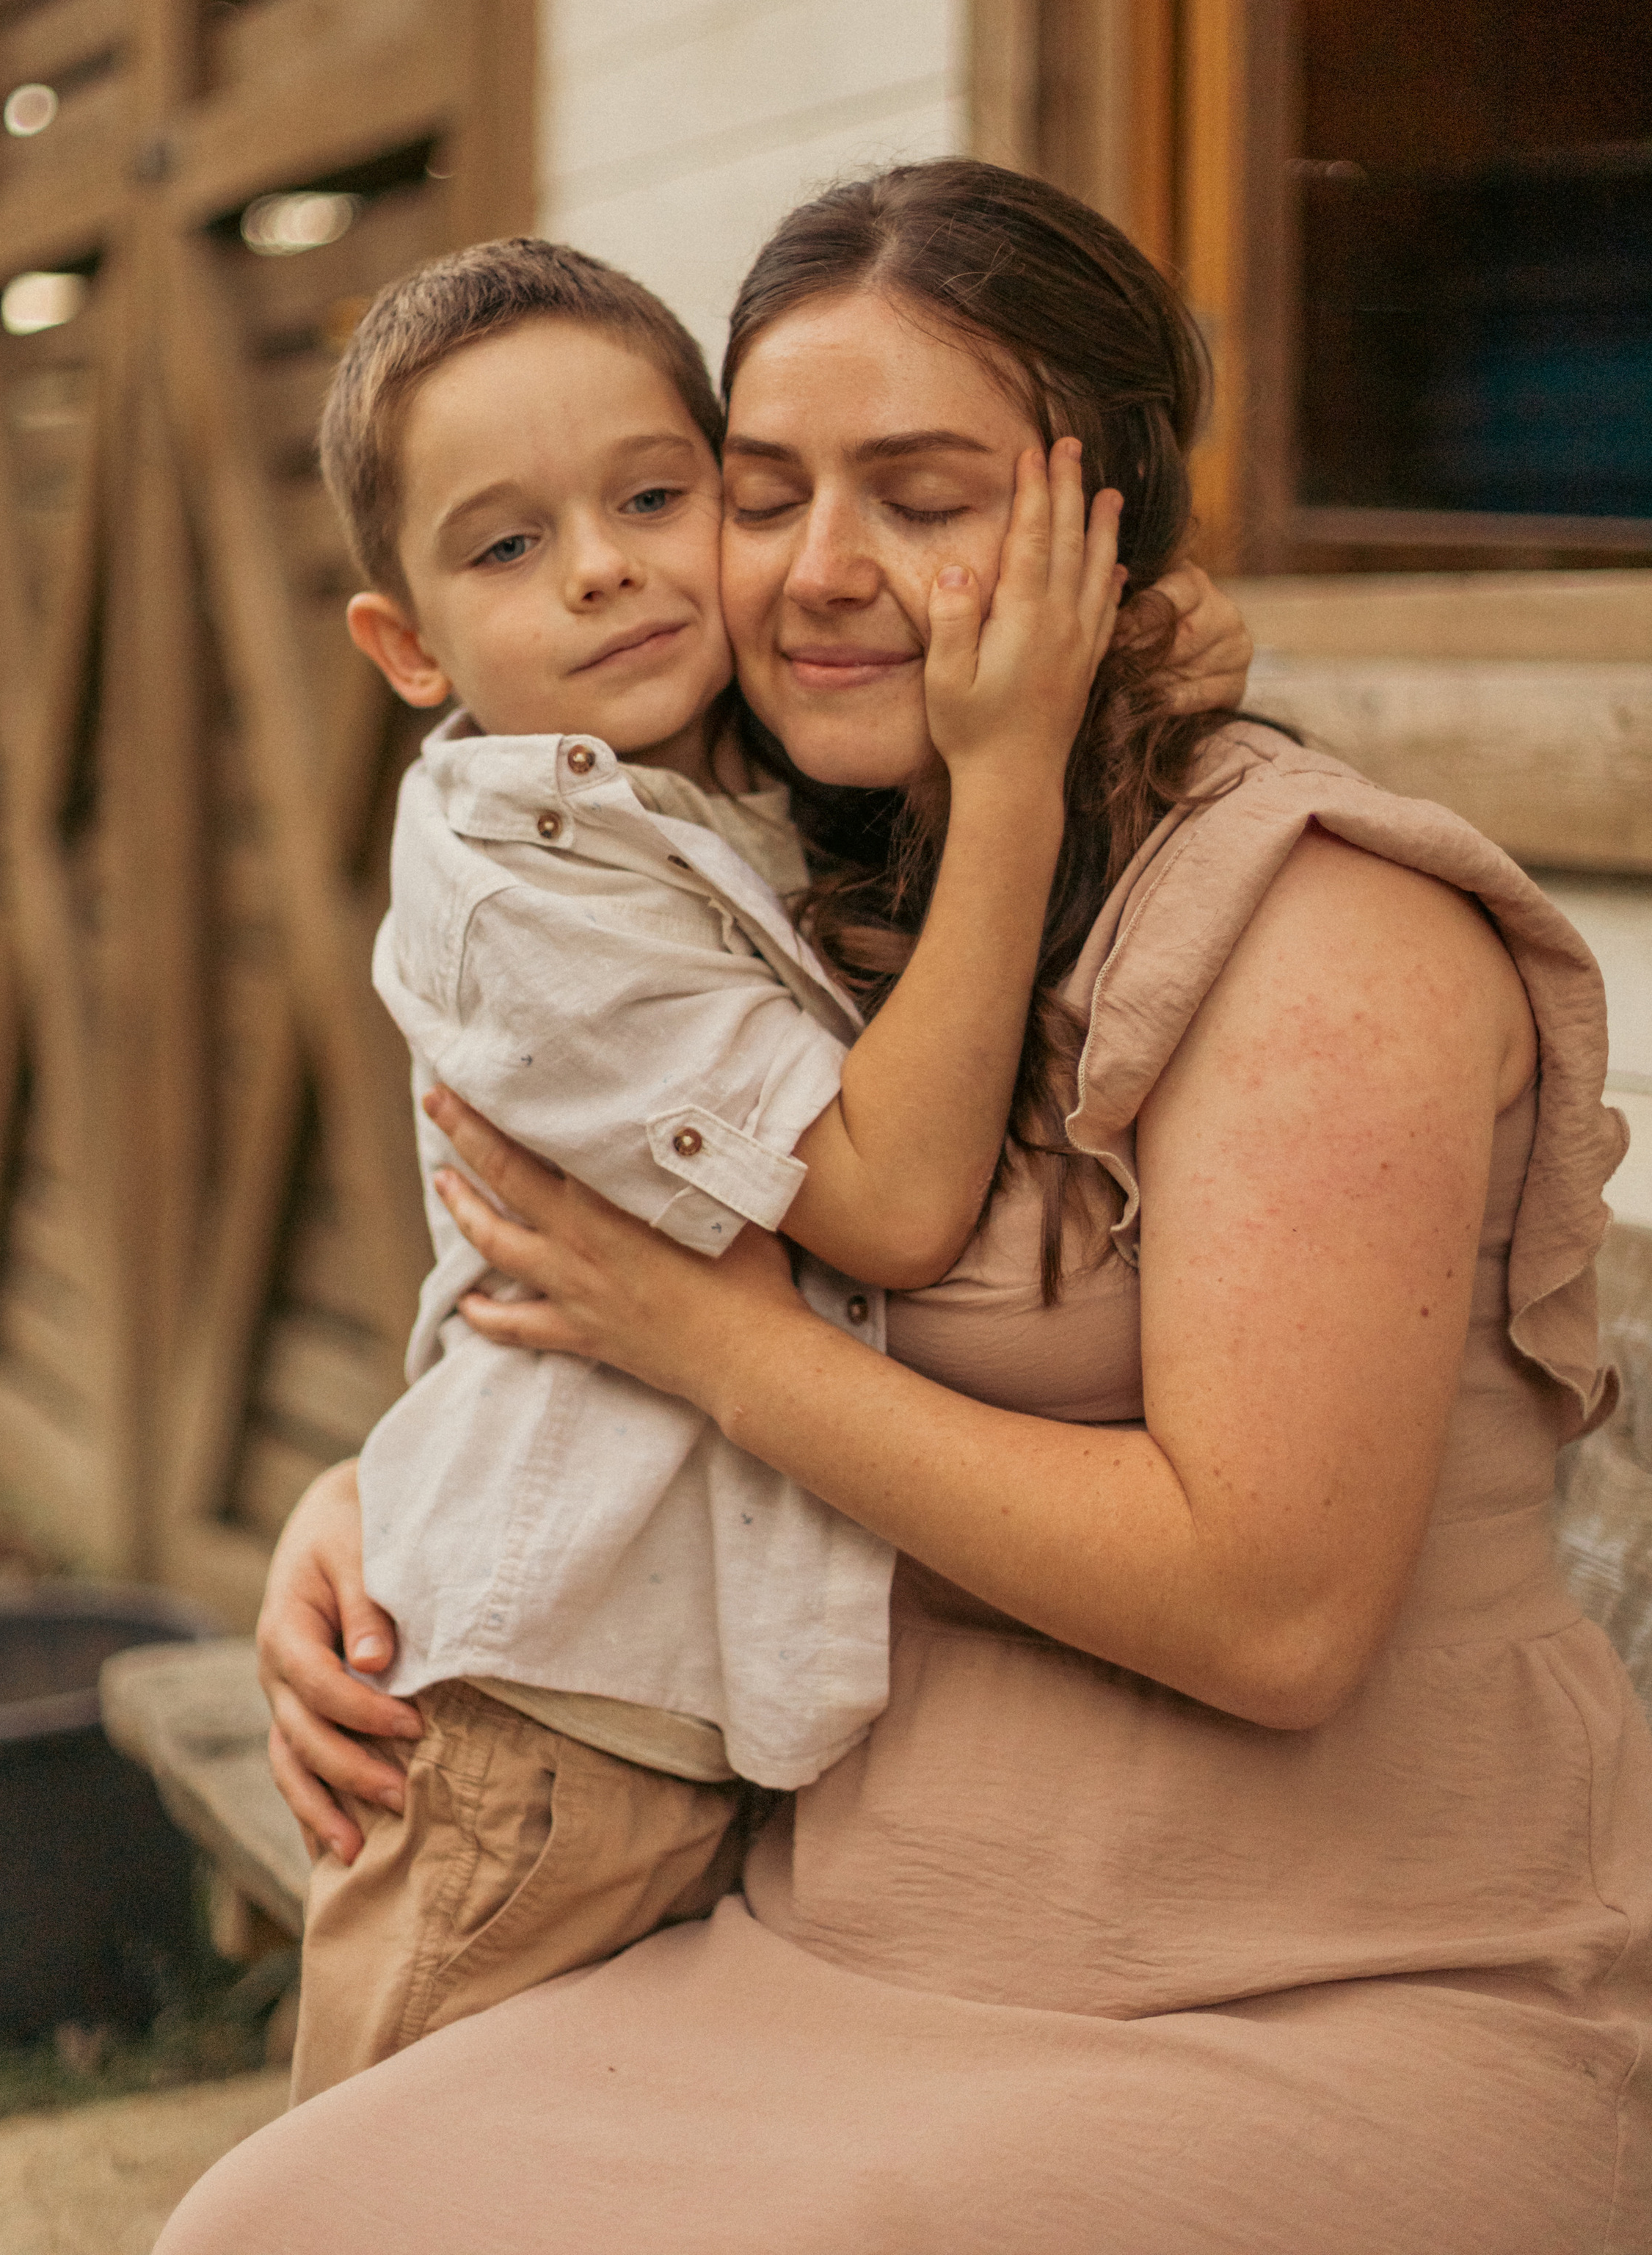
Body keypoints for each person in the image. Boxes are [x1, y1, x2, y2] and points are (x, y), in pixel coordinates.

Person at [162, 161, 1645, 2255]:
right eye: (762, 492)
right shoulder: (819, 910)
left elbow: (1274, 1611)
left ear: (1102, 529)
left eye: (926, 497)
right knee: (271, 2224)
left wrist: (718, 1353)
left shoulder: (1332, 939)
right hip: (851, 1935)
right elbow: (586, 1281)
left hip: (1318, 1979)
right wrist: (375, 1512)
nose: (819, 571)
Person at [291, 235, 1131, 2092]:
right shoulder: (526, 887)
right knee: (388, 2193)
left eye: (658, 497)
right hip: (543, 1735)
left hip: (686, 1704)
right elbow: (891, 1207)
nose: (600, 565)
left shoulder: (715, 778)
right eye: (506, 546)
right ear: (405, 643)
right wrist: (1012, 779)